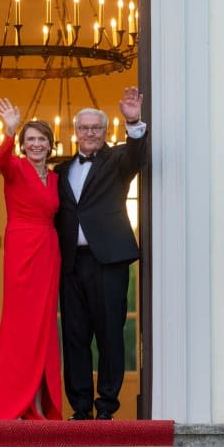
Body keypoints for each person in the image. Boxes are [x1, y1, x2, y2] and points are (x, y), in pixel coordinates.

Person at [54, 86, 147, 421]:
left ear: (105, 132)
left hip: (108, 260)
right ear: (75, 133)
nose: (90, 133)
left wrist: (133, 122)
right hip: (71, 263)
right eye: (84, 128)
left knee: (110, 333)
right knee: (75, 337)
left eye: (96, 128)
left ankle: (106, 406)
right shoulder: (62, 170)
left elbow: (137, 155)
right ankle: (80, 407)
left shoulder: (117, 159)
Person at [0, 98, 62, 420]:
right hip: (21, 246)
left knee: (45, 326)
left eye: (41, 139)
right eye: (29, 139)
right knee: (21, 326)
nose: (35, 144)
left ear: (50, 144)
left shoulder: (57, 178)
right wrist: (9, 129)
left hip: (48, 247)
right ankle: (16, 404)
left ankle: (40, 402)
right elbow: (2, 159)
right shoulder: (14, 167)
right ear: (23, 143)